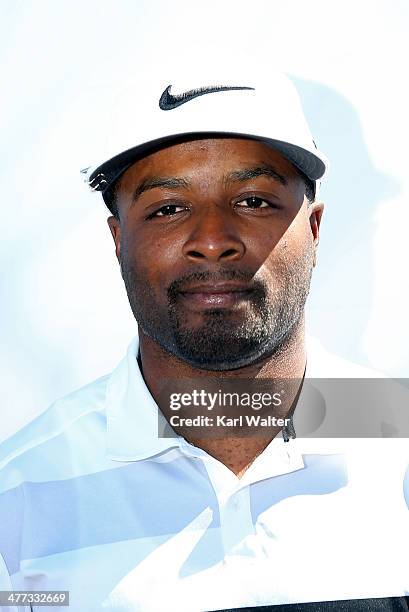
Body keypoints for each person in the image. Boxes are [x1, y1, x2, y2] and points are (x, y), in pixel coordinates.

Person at [0, 73, 408, 612]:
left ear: (313, 229)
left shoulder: (398, 446)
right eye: (168, 208)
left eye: (255, 201)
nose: (213, 241)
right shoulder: (18, 495)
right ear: (118, 240)